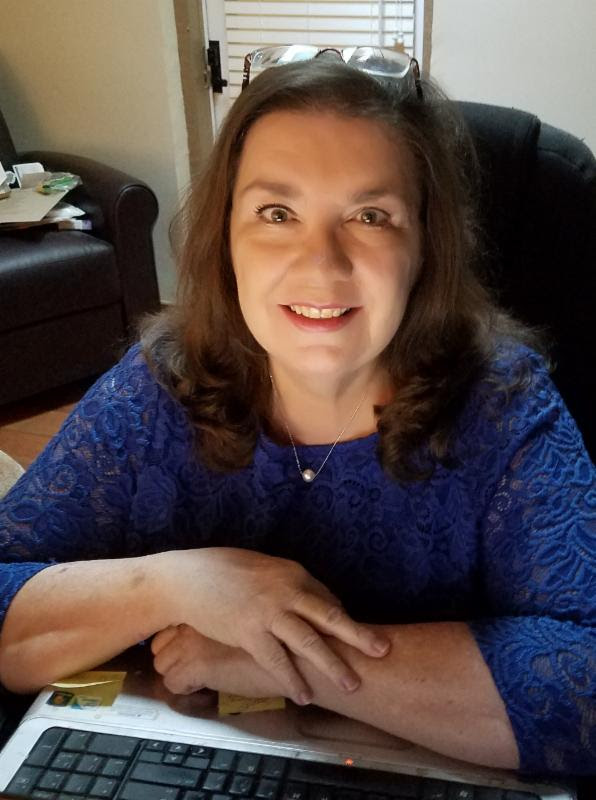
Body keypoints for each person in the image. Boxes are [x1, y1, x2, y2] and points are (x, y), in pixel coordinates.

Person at [0, 50, 594, 778]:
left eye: (370, 216)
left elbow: (586, 675)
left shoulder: (502, 404)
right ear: (226, 239)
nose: (321, 264)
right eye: (276, 213)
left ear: (425, 248)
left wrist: (288, 660)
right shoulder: (156, 390)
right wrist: (178, 584)